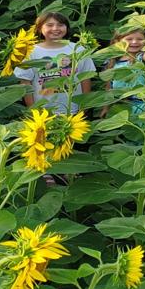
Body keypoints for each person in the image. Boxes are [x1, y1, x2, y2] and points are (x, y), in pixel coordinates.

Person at [13, 11, 95, 184]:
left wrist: (85, 104)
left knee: (68, 140)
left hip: (71, 105)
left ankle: (67, 172)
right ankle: (45, 172)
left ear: (66, 28)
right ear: (40, 28)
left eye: (60, 25)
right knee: (43, 139)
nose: (55, 29)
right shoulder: (31, 52)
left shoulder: (77, 49)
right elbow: (25, 83)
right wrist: (32, 108)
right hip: (43, 107)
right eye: (49, 25)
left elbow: (86, 77)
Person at [99, 26, 145, 121]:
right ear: (117, 42)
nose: (134, 42)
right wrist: (106, 107)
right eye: (129, 39)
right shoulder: (111, 61)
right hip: (119, 105)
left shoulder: (141, 57)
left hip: (141, 106)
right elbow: (109, 87)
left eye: (140, 39)